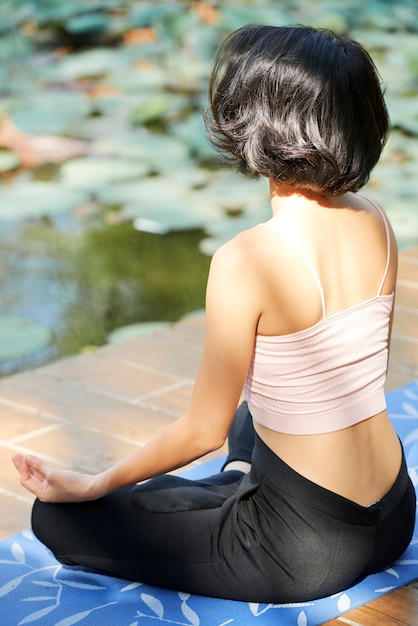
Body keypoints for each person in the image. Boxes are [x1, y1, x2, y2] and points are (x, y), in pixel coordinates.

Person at [12, 24, 416, 603]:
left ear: (258, 122)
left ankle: (230, 496)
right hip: (394, 512)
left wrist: (92, 484)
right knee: (251, 413)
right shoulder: (376, 217)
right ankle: (234, 489)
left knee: (58, 518)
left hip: (302, 551)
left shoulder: (247, 258)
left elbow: (200, 431)